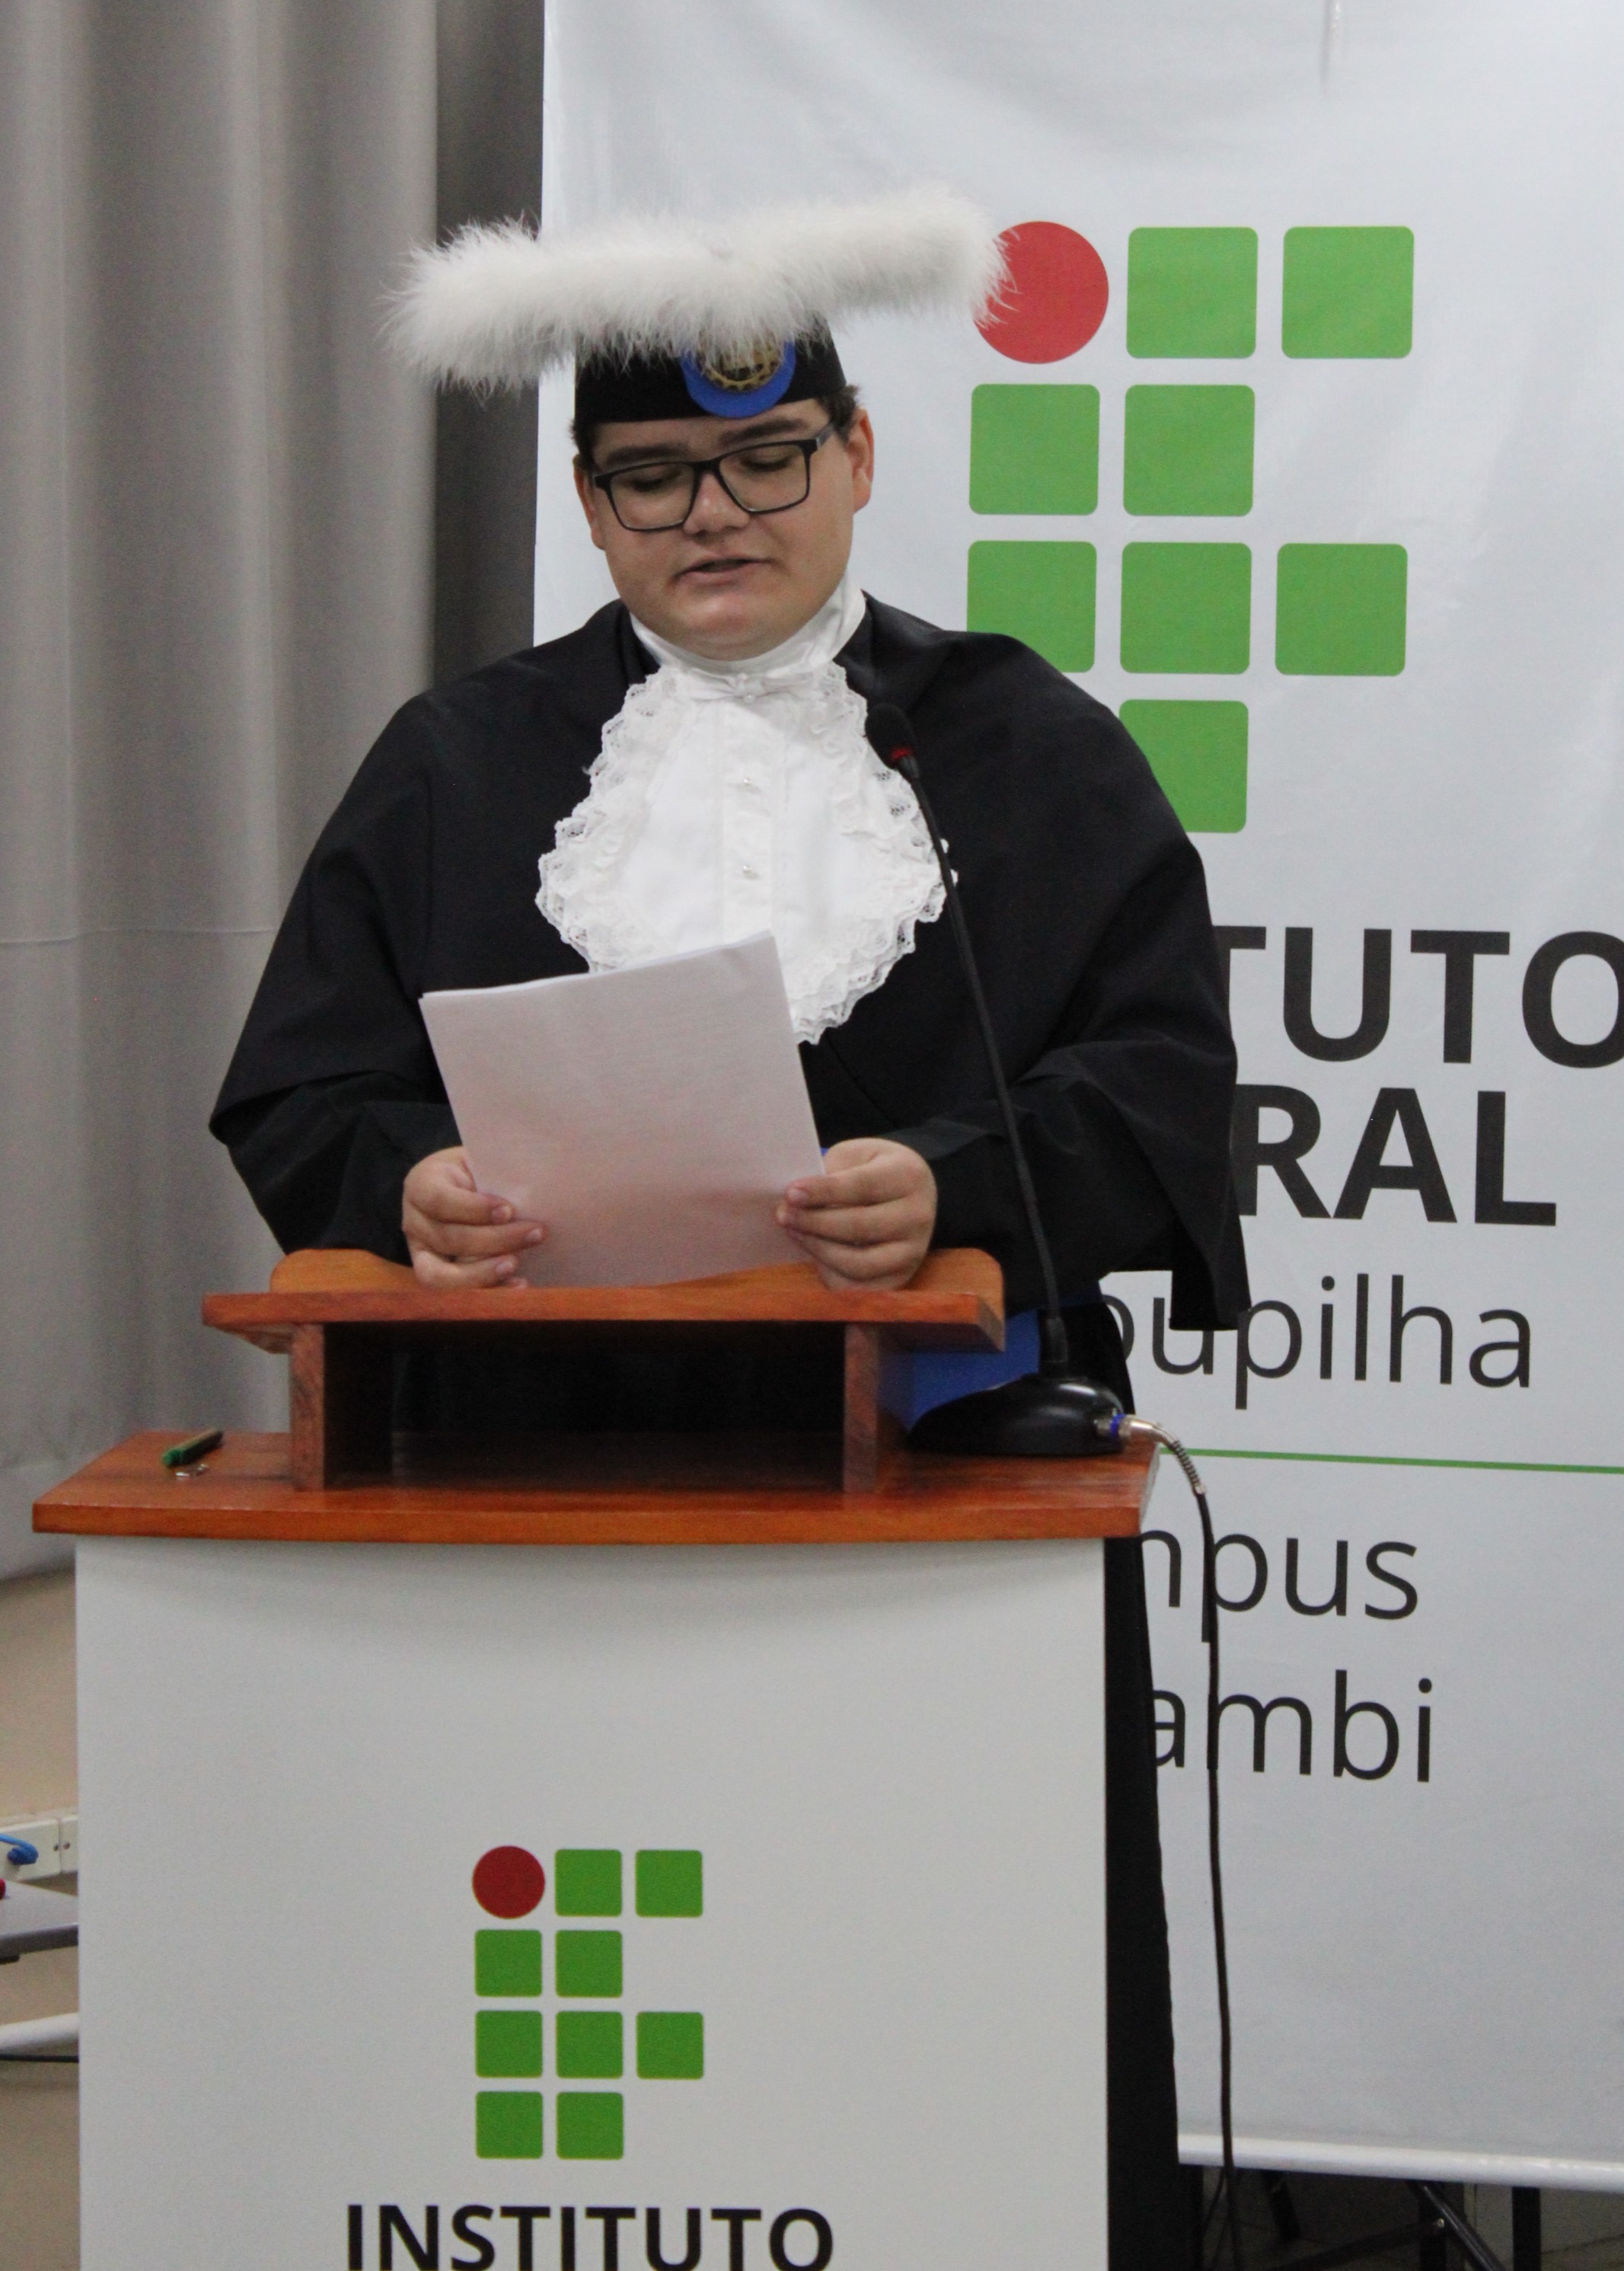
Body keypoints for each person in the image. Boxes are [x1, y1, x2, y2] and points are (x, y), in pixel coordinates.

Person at [212, 187, 1247, 2263]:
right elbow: (297, 1093)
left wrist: (956, 1187)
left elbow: (1165, 1090)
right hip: (528, 1498)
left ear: (857, 458)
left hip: (933, 1491)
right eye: (653, 474)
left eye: (767, 458)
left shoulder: (1028, 747)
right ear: (590, 506)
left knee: (937, 2037)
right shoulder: (455, 764)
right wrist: (408, 1186)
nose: (713, 512)